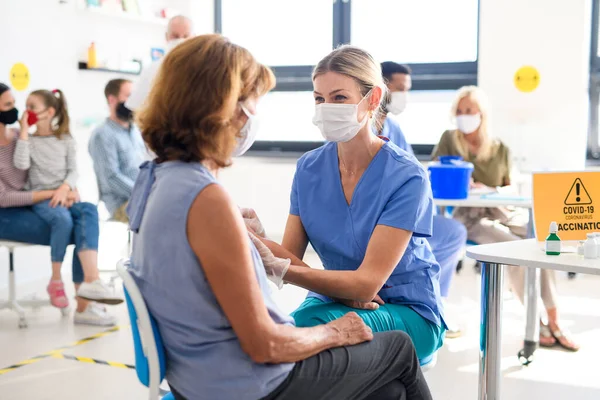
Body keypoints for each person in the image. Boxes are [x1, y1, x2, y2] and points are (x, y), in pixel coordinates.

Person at [127, 34, 433, 400]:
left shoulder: (155, 180)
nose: (252, 117)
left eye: (338, 98)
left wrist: (254, 246)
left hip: (196, 375)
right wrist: (337, 331)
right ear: (221, 108)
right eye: (251, 104)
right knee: (394, 350)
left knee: (388, 391)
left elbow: (330, 279)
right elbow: (265, 344)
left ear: (372, 100)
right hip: (244, 382)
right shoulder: (207, 196)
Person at [246, 46, 446, 365]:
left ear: (373, 98)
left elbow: (366, 285)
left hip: (407, 310)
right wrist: (257, 242)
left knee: (300, 339)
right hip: (333, 300)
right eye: (319, 98)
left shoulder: (407, 176)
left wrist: (284, 266)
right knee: (277, 332)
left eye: (339, 97)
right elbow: (292, 258)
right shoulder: (309, 169)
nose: (326, 107)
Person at [432, 85, 580, 352]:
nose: (465, 116)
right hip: (471, 217)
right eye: (461, 111)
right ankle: (535, 323)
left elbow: (511, 186)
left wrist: (489, 189)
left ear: (481, 114)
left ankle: (555, 318)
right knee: (515, 248)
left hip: (502, 209)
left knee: (541, 242)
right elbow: (438, 176)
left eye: (470, 111)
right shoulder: (449, 139)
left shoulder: (499, 147)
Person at [2, 85, 120, 325]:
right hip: (15, 209)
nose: (17, 111)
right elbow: (6, 194)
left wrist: (67, 189)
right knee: (67, 223)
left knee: (86, 214)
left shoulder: (16, 136)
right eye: (8, 105)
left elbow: (67, 170)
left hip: (45, 199)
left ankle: (90, 286)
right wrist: (54, 192)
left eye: (17, 103)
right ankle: (71, 291)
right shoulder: (24, 139)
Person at [376, 61, 468, 337]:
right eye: (400, 89)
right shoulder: (361, 130)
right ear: (380, 86)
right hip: (382, 218)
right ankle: (416, 300)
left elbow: (413, 170)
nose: (405, 95)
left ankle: (434, 301)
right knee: (423, 244)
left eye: (407, 90)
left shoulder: (394, 127)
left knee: (453, 231)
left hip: (406, 211)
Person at [88, 79, 146, 222]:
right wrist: (145, 193)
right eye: (128, 96)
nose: (133, 102)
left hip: (143, 196)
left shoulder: (135, 131)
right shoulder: (103, 135)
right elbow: (111, 177)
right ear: (112, 99)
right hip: (123, 204)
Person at [126, 15, 195, 111]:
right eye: (175, 36)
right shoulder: (152, 69)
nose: (180, 40)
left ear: (194, 38)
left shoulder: (203, 68)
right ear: (167, 37)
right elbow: (136, 106)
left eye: (185, 36)